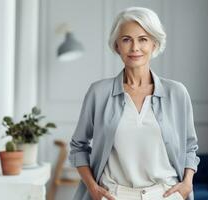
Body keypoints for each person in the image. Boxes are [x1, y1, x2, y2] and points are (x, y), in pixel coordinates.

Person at [69, 7, 200, 200]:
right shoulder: (99, 93)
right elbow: (78, 146)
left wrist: (187, 184)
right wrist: (93, 189)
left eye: (143, 39)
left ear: (154, 44)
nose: (134, 48)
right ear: (116, 46)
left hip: (166, 194)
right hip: (113, 194)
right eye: (126, 39)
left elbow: (190, 146)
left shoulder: (177, 92)